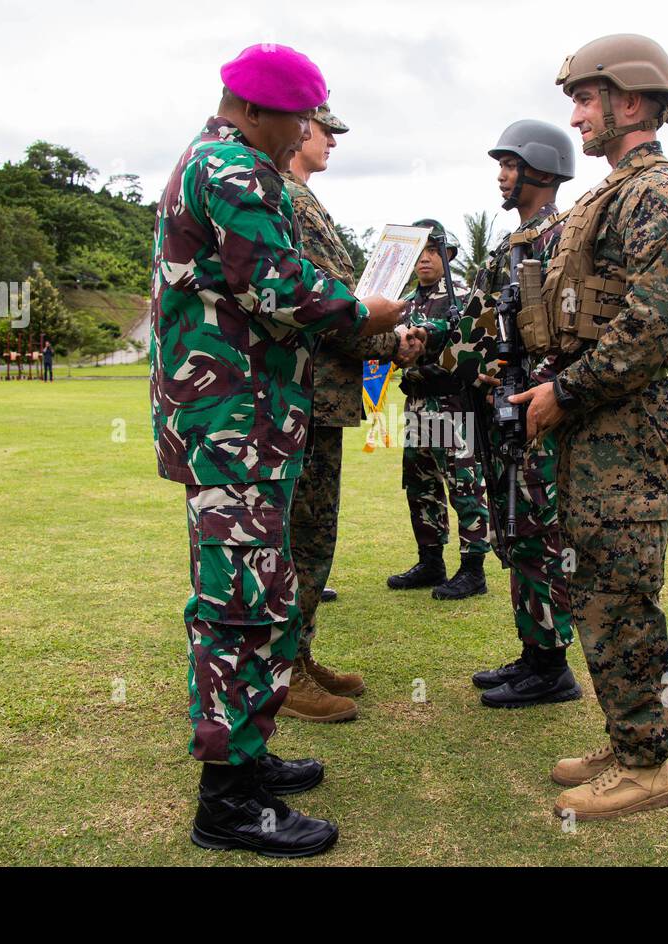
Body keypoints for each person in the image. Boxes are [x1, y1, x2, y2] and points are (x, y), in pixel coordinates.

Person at [149, 42, 405, 857]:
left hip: (238, 420)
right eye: (299, 115)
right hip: (235, 422)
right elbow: (281, 285)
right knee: (238, 605)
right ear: (255, 108)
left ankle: (248, 761)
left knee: (257, 589)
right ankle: (228, 802)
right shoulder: (232, 170)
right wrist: (370, 311)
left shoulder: (216, 159)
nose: (306, 129)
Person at [509, 34, 668, 818]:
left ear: (630, 102)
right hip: (599, 420)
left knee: (621, 592)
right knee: (595, 585)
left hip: (624, 421)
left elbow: (653, 327)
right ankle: (629, 732)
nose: (575, 115)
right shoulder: (616, 190)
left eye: (586, 99)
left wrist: (567, 390)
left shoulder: (658, 193)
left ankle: (645, 765)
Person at [282, 103, 426, 722]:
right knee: (304, 539)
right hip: (307, 398)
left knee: (309, 536)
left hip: (314, 395)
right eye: (325, 131)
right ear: (299, 128)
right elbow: (331, 307)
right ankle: (283, 672)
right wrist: (386, 334)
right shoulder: (293, 198)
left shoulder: (293, 197)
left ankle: (296, 654)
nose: (332, 142)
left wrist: (388, 339)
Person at [456, 120, 584, 708]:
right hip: (506, 406)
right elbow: (482, 322)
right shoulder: (511, 246)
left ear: (541, 170)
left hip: (540, 408)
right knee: (517, 527)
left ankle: (552, 665)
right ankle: (535, 653)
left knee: (538, 530)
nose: (501, 177)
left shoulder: (562, 240)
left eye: (510, 164)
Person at [387, 221, 492, 600]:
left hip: (450, 402)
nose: (425, 259)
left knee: (463, 485)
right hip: (416, 401)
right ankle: (431, 561)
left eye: (432, 251)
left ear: (448, 254)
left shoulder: (461, 296)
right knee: (420, 485)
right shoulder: (407, 301)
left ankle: (473, 569)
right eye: (419, 252)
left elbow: (457, 333)